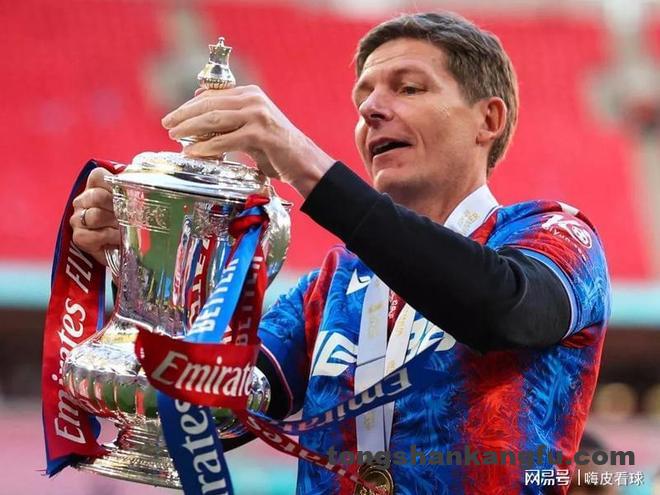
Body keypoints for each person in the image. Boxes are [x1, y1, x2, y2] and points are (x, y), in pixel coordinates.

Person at [70, 12, 610, 495]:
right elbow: (215, 402)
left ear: (488, 120)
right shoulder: (336, 280)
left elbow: (501, 310)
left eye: (409, 88)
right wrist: (151, 262)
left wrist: (303, 163)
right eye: (362, 99)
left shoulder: (556, 236)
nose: (371, 109)